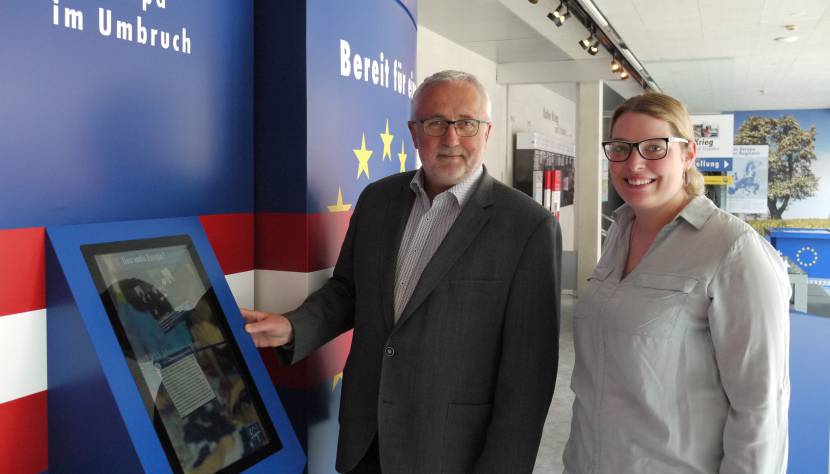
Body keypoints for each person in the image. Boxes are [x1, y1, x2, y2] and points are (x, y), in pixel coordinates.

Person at [242, 70, 562, 473]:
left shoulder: (527, 227)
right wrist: (293, 327)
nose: (450, 139)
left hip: (448, 452)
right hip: (366, 437)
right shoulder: (377, 200)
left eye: (466, 123)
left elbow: (528, 377)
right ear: (414, 132)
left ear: (486, 132)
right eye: (435, 123)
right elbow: (347, 291)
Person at [563, 92, 790, 473]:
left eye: (655, 147)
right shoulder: (620, 231)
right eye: (620, 148)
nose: (634, 162)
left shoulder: (733, 250)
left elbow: (761, 407)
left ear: (688, 154)